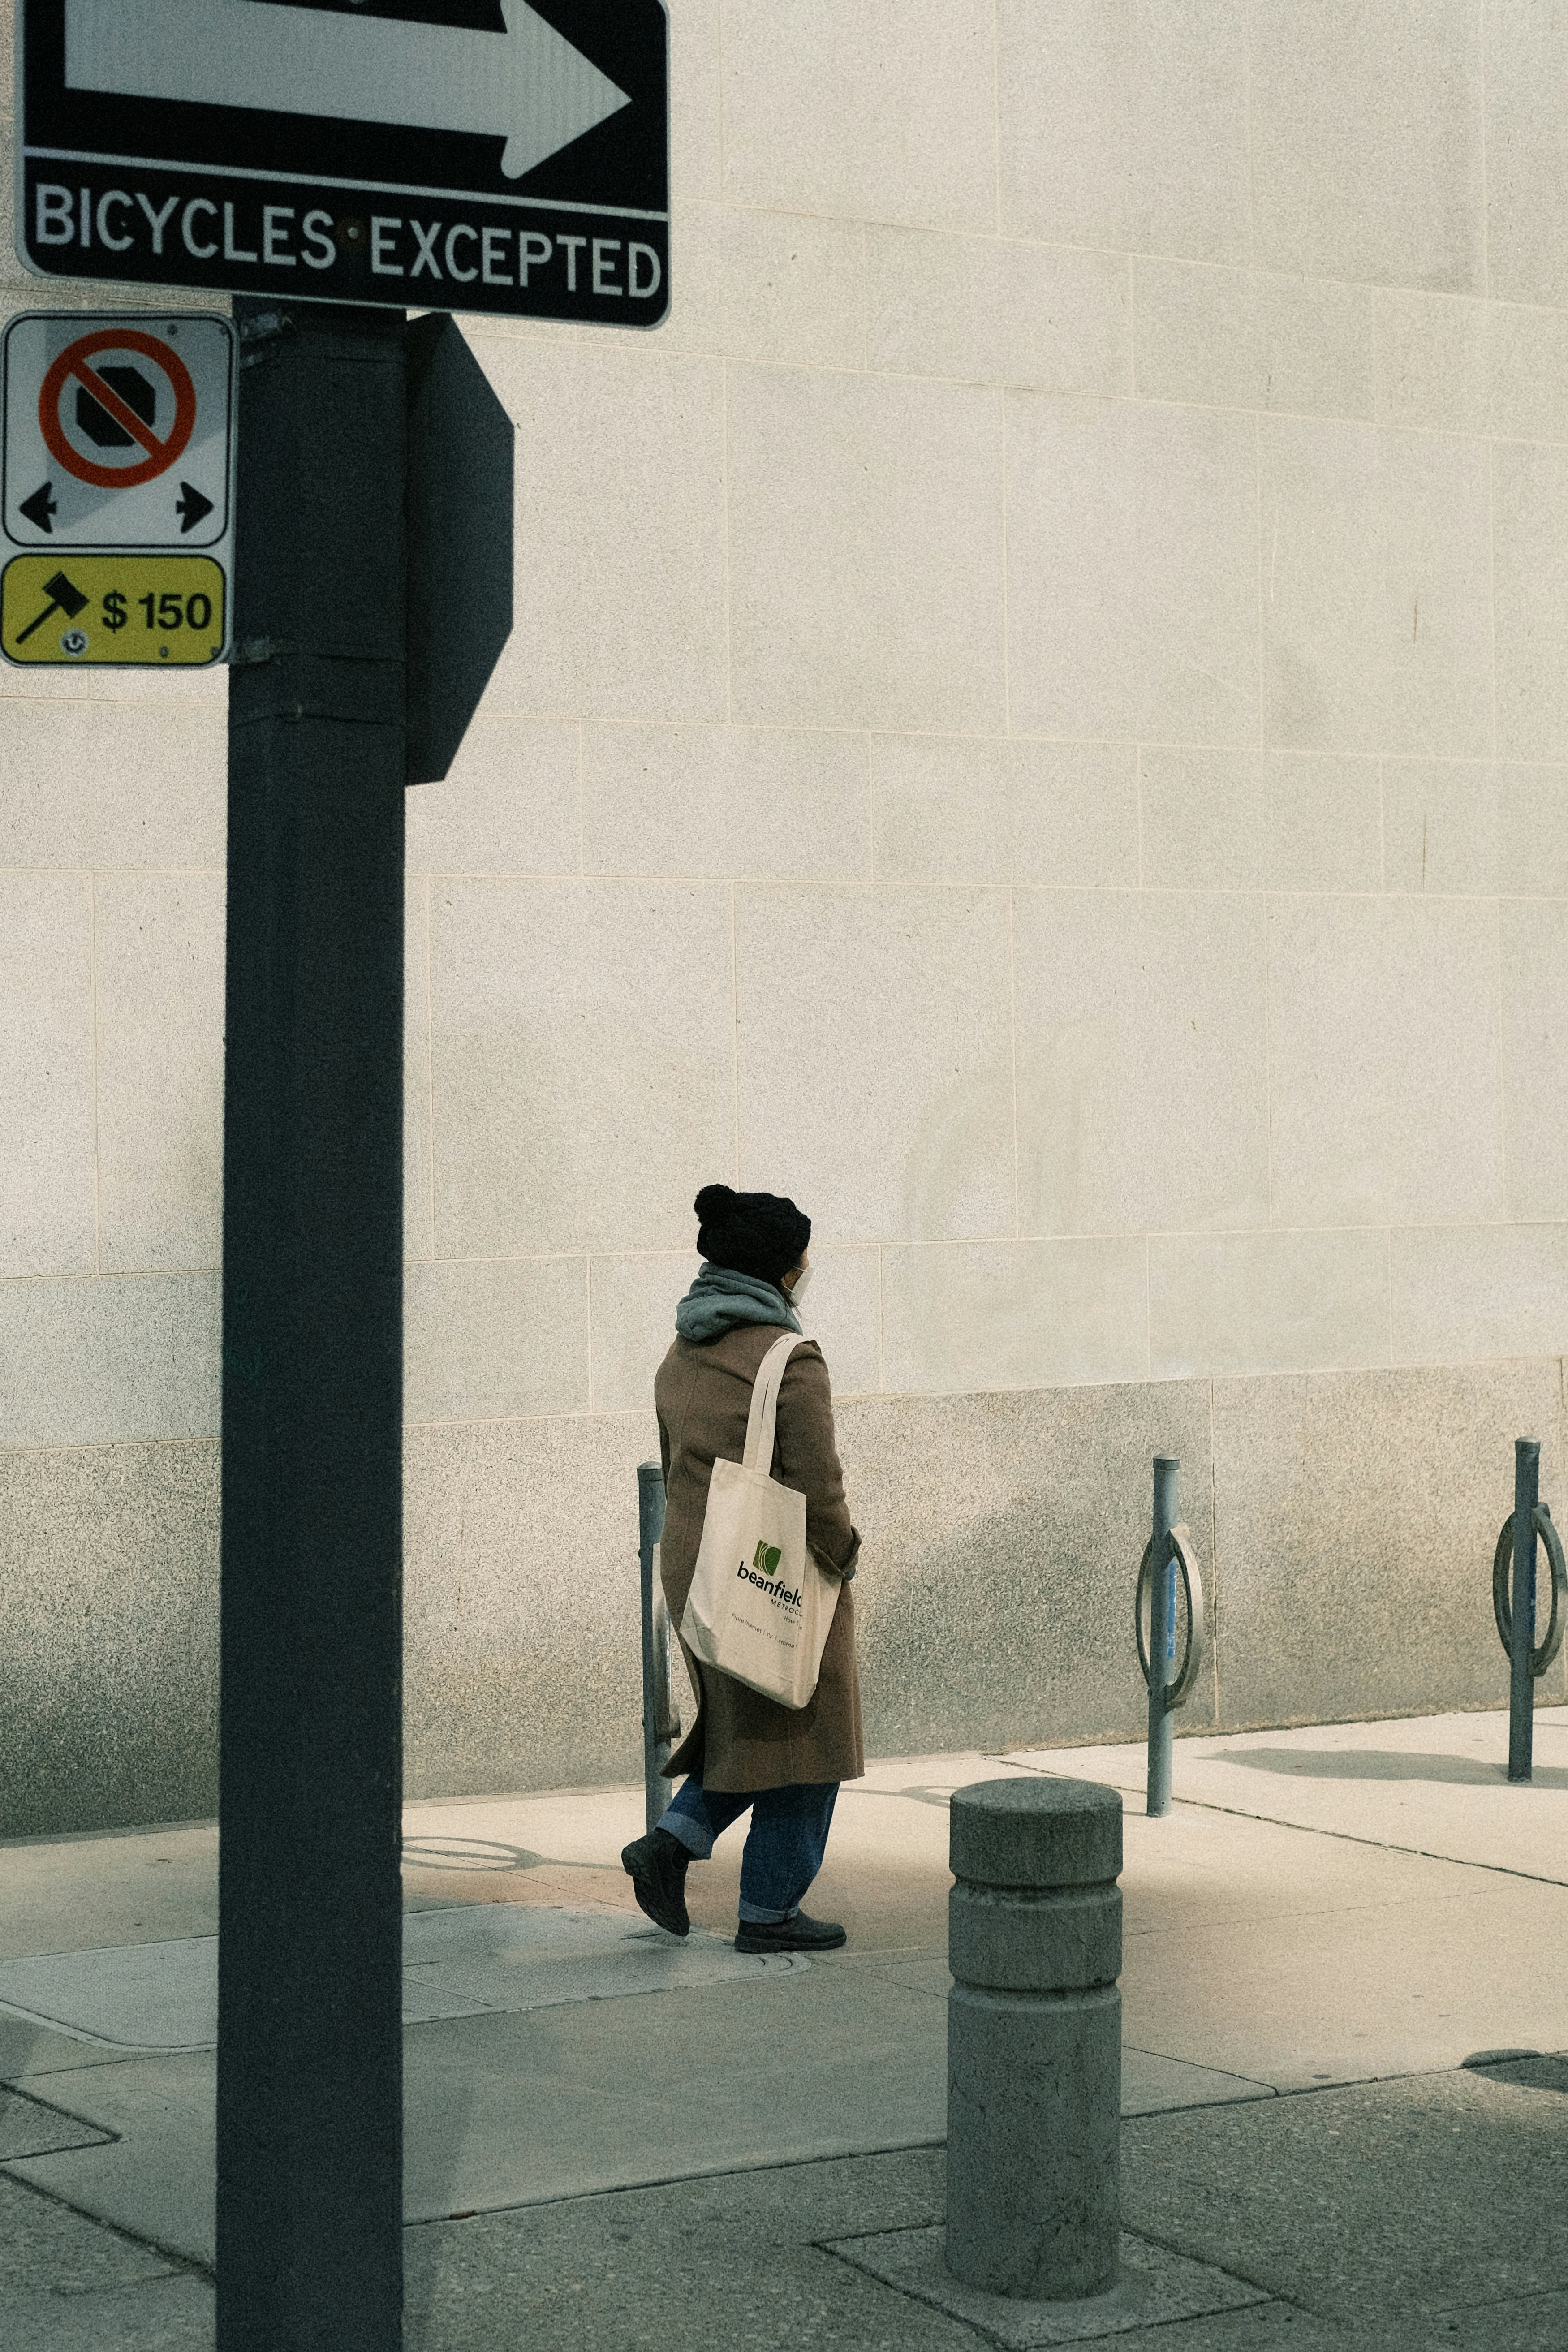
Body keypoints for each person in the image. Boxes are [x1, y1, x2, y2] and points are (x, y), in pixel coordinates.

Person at [621, 1183, 863, 1954]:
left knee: (748, 1731)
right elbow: (819, 1490)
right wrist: (846, 1555)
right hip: (770, 1573)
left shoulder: (683, 1350)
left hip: (694, 1571)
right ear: (784, 1272)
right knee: (811, 1738)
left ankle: (669, 1844)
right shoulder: (790, 1360)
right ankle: (767, 1911)